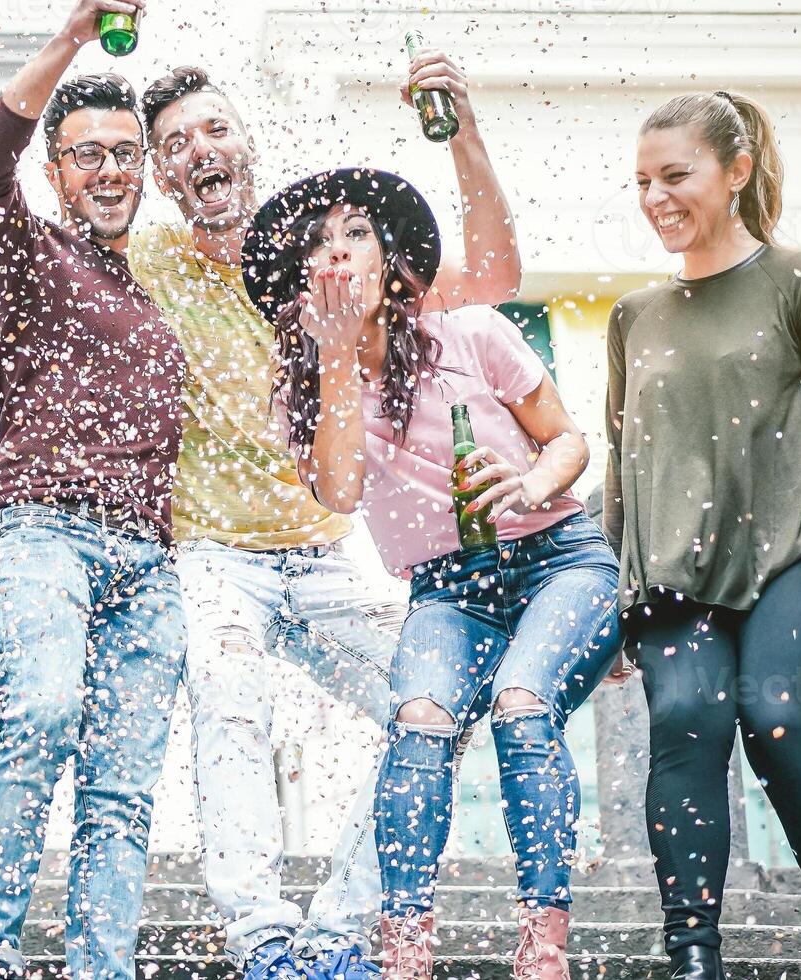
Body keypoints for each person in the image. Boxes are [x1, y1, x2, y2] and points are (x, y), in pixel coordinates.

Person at [130, 55, 521, 980]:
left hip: (325, 552)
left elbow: (497, 273)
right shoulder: (149, 260)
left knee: (438, 702)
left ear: (248, 143)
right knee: (231, 703)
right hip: (213, 553)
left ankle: (340, 927)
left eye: (216, 129)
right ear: (160, 175)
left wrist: (461, 131)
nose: (200, 150)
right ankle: (261, 933)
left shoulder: (330, 261)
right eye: (176, 144)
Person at [244, 168, 621, 980]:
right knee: (418, 720)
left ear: (389, 256)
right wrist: (339, 353)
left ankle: (542, 949)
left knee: (522, 708)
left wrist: (532, 483)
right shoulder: (303, 386)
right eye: (317, 245)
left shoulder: (472, 331)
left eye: (354, 234)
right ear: (302, 281)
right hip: (448, 590)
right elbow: (340, 492)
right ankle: (405, 950)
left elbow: (571, 442)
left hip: (558, 559)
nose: (336, 253)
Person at [604, 90, 801, 980]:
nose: (656, 197)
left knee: (778, 717)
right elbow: (626, 461)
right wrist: (616, 595)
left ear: (735, 172)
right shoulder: (633, 316)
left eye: (675, 175)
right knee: (687, 718)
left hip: (798, 555)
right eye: (641, 182)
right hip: (672, 576)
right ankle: (693, 960)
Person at [0, 2, 187, 979]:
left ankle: (101, 966)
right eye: (86, 153)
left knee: (123, 788)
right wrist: (73, 40)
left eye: (124, 152)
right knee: (42, 710)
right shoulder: (24, 253)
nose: (109, 170)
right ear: (56, 171)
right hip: (39, 529)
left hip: (149, 561)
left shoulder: (162, 292)